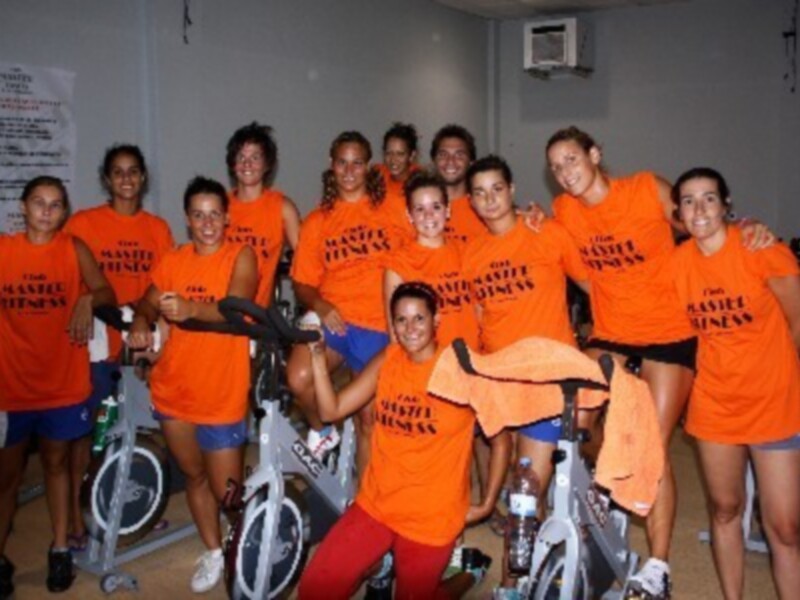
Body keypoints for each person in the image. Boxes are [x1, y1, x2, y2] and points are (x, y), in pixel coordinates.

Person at [544, 126, 772, 598]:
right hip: (611, 333)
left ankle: (659, 565)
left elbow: (699, 222)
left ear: (595, 154)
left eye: (571, 159)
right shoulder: (564, 210)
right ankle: (608, 503)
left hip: (669, 334)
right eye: (555, 166)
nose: (565, 173)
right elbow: (582, 276)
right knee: (572, 420)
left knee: (652, 443)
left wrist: (746, 224)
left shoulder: (644, 189)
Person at [298, 282, 510, 599]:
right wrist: (316, 359)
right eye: (401, 320)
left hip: (431, 518)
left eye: (419, 319)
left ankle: (468, 573)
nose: (410, 328)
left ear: (436, 320)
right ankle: (385, 565)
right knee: (314, 590)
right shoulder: (389, 358)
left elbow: (502, 440)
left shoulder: (460, 369)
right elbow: (332, 411)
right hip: (378, 503)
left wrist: (487, 503)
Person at [669, 167, 800, 600]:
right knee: (725, 510)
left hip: (773, 403)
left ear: (726, 205)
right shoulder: (678, 265)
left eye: (709, 198)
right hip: (715, 405)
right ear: (678, 212)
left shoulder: (762, 249)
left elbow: (797, 321)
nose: (699, 209)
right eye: (688, 200)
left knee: (783, 527)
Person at [463, 156, 589, 591]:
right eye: (479, 193)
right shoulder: (473, 253)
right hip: (500, 381)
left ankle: (513, 586)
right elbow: (477, 317)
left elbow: (596, 283)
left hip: (547, 377)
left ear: (512, 189)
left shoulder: (547, 232)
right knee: (525, 495)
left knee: (524, 491)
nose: (489, 200)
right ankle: (535, 575)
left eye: (496, 189)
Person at [128, 176, 257, 594]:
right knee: (193, 476)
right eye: (198, 215)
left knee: (228, 494)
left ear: (226, 217)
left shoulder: (241, 256)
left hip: (220, 391)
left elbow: (233, 311)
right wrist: (144, 319)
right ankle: (214, 550)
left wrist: (189, 308)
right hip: (173, 388)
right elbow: (147, 298)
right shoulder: (174, 259)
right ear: (187, 219)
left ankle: (245, 545)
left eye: (214, 215)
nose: (207, 223)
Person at [0, 176, 115, 595]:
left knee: (57, 465)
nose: (46, 211)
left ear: (64, 212)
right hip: (11, 386)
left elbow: (105, 289)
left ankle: (61, 548)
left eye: (54, 204)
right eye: (38, 202)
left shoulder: (72, 249)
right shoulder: (4, 250)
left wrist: (86, 298)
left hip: (63, 384)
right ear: (24, 208)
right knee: (7, 477)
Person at [63, 143, 174, 550]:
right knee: (89, 434)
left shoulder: (158, 229)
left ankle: (126, 511)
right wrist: (88, 299)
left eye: (133, 171)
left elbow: (164, 286)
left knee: (132, 432)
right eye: (118, 172)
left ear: (142, 178)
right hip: (97, 344)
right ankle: (77, 520)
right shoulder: (84, 224)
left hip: (139, 345)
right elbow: (71, 275)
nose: (126, 178)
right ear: (107, 179)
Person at [287, 131, 397, 473]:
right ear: (332, 166)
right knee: (298, 379)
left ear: (369, 167)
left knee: (369, 419)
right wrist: (319, 305)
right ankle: (323, 432)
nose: (349, 171)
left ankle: (364, 501)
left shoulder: (391, 207)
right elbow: (302, 282)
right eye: (342, 162)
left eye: (357, 163)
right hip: (334, 319)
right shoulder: (318, 220)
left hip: (378, 325)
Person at [383, 170, 479, 348]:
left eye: (436, 207)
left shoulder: (468, 252)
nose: (428, 216)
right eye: (420, 209)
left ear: (448, 210)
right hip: (430, 366)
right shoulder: (399, 264)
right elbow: (396, 335)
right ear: (409, 215)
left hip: (472, 361)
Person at [225, 122, 301, 306]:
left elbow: (307, 260)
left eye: (255, 157)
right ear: (232, 163)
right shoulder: (220, 206)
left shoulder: (282, 207)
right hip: (217, 312)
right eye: (241, 157)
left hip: (258, 318)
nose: (247, 164)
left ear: (267, 164)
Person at [430, 124, 487, 244]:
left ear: (471, 162)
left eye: (459, 155)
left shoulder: (486, 207)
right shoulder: (418, 208)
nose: (450, 161)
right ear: (433, 160)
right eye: (443, 155)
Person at [377, 122, 420, 245]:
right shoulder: (376, 176)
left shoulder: (422, 184)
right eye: (389, 153)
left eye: (400, 154)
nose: (393, 160)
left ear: (411, 155)